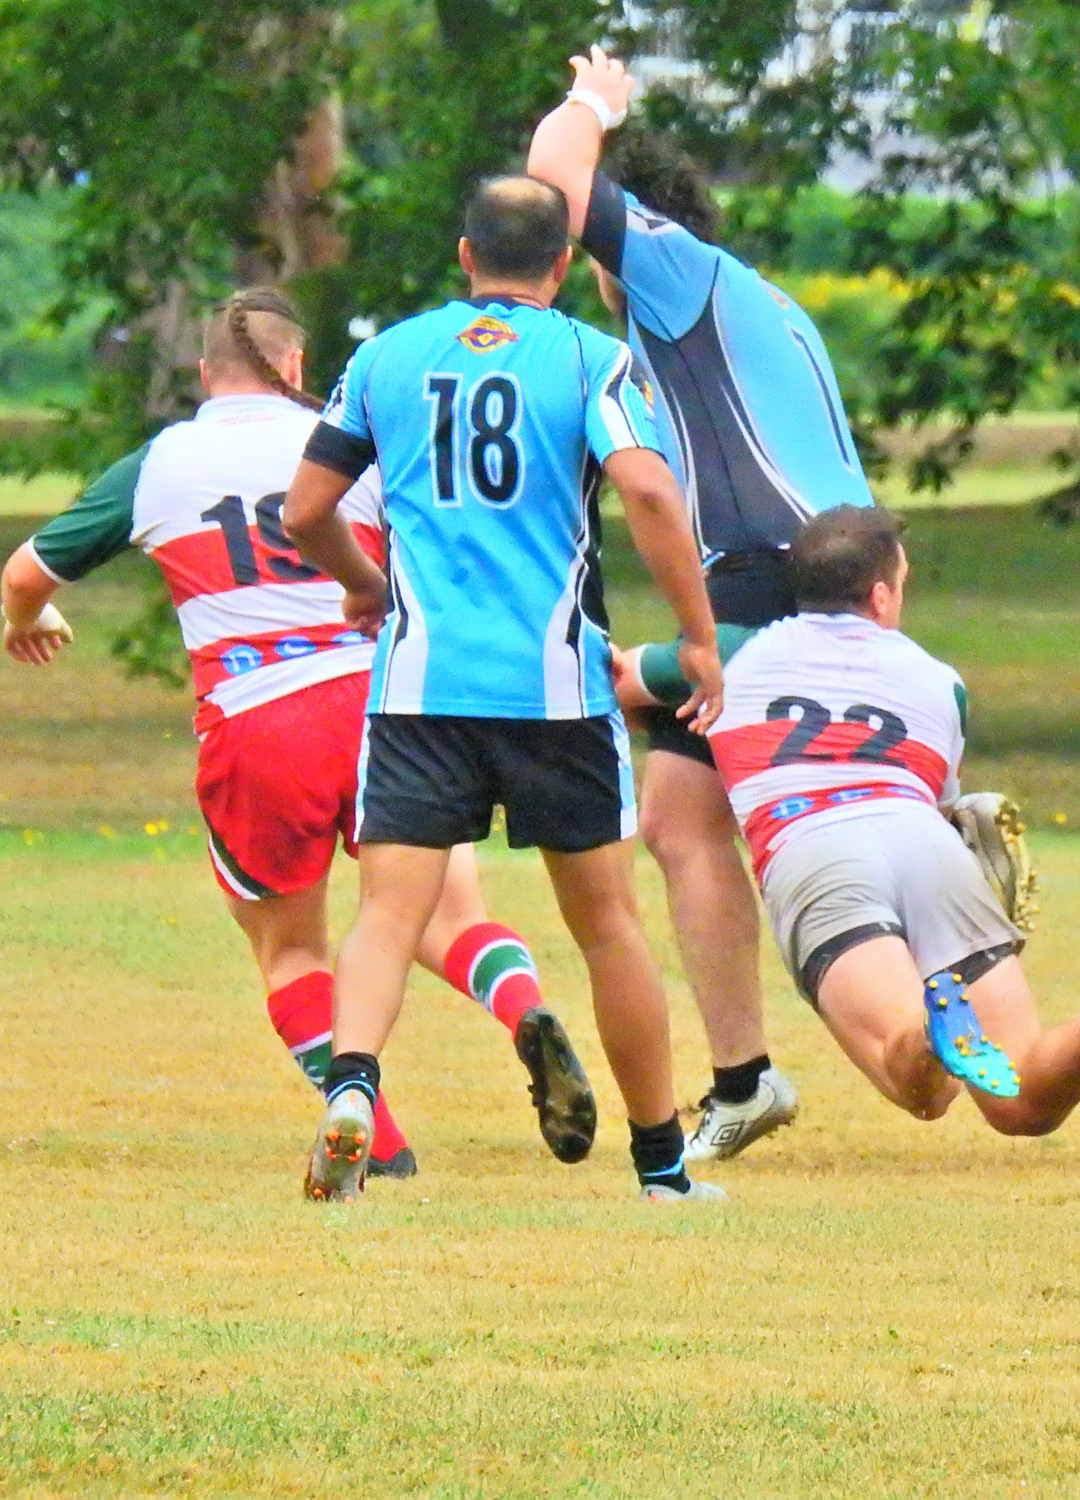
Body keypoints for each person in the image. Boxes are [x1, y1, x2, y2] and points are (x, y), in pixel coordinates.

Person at [0, 288, 599, 1180]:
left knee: (290, 952)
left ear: (207, 375)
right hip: (381, 700)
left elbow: (26, 572)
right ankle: (522, 1011)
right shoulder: (353, 440)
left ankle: (375, 1140)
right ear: (295, 368)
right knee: (443, 916)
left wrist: (28, 619)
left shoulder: (162, 460)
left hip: (256, 716)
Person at [283, 176, 728, 1203]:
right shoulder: (590, 358)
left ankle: (351, 1091)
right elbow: (650, 489)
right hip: (555, 695)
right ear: (563, 263)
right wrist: (697, 640)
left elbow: (306, 507)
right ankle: (661, 1171)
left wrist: (364, 588)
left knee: (388, 916)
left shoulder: (386, 356)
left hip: (419, 687)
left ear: (463, 253)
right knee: (607, 924)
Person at [525, 47, 883, 1161]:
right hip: (827, 559)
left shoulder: (678, 279)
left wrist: (595, 103)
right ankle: (744, 1078)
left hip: (780, 570)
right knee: (681, 820)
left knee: (667, 715)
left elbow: (553, 181)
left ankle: (939, 856)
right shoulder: (761, 305)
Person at [615, 506, 1080, 1134]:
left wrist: (662, 709)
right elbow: (944, 804)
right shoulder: (941, 682)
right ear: (882, 594)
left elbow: (607, 680)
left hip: (815, 846)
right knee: (1021, 1104)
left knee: (918, 1084)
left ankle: (933, 1025)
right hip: (926, 844)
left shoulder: (727, 652)